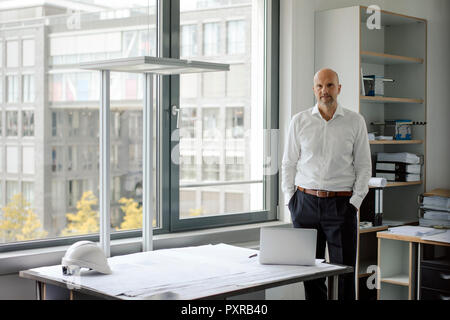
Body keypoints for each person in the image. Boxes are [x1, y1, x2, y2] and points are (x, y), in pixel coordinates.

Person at [281, 68, 372, 300]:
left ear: (339, 88)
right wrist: (290, 201)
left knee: (344, 272)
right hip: (304, 204)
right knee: (310, 273)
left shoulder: (355, 121)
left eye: (330, 85)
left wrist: (354, 203)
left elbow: (364, 166)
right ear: (314, 89)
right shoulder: (299, 121)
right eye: (320, 86)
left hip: (341, 205)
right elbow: (288, 163)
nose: (325, 91)